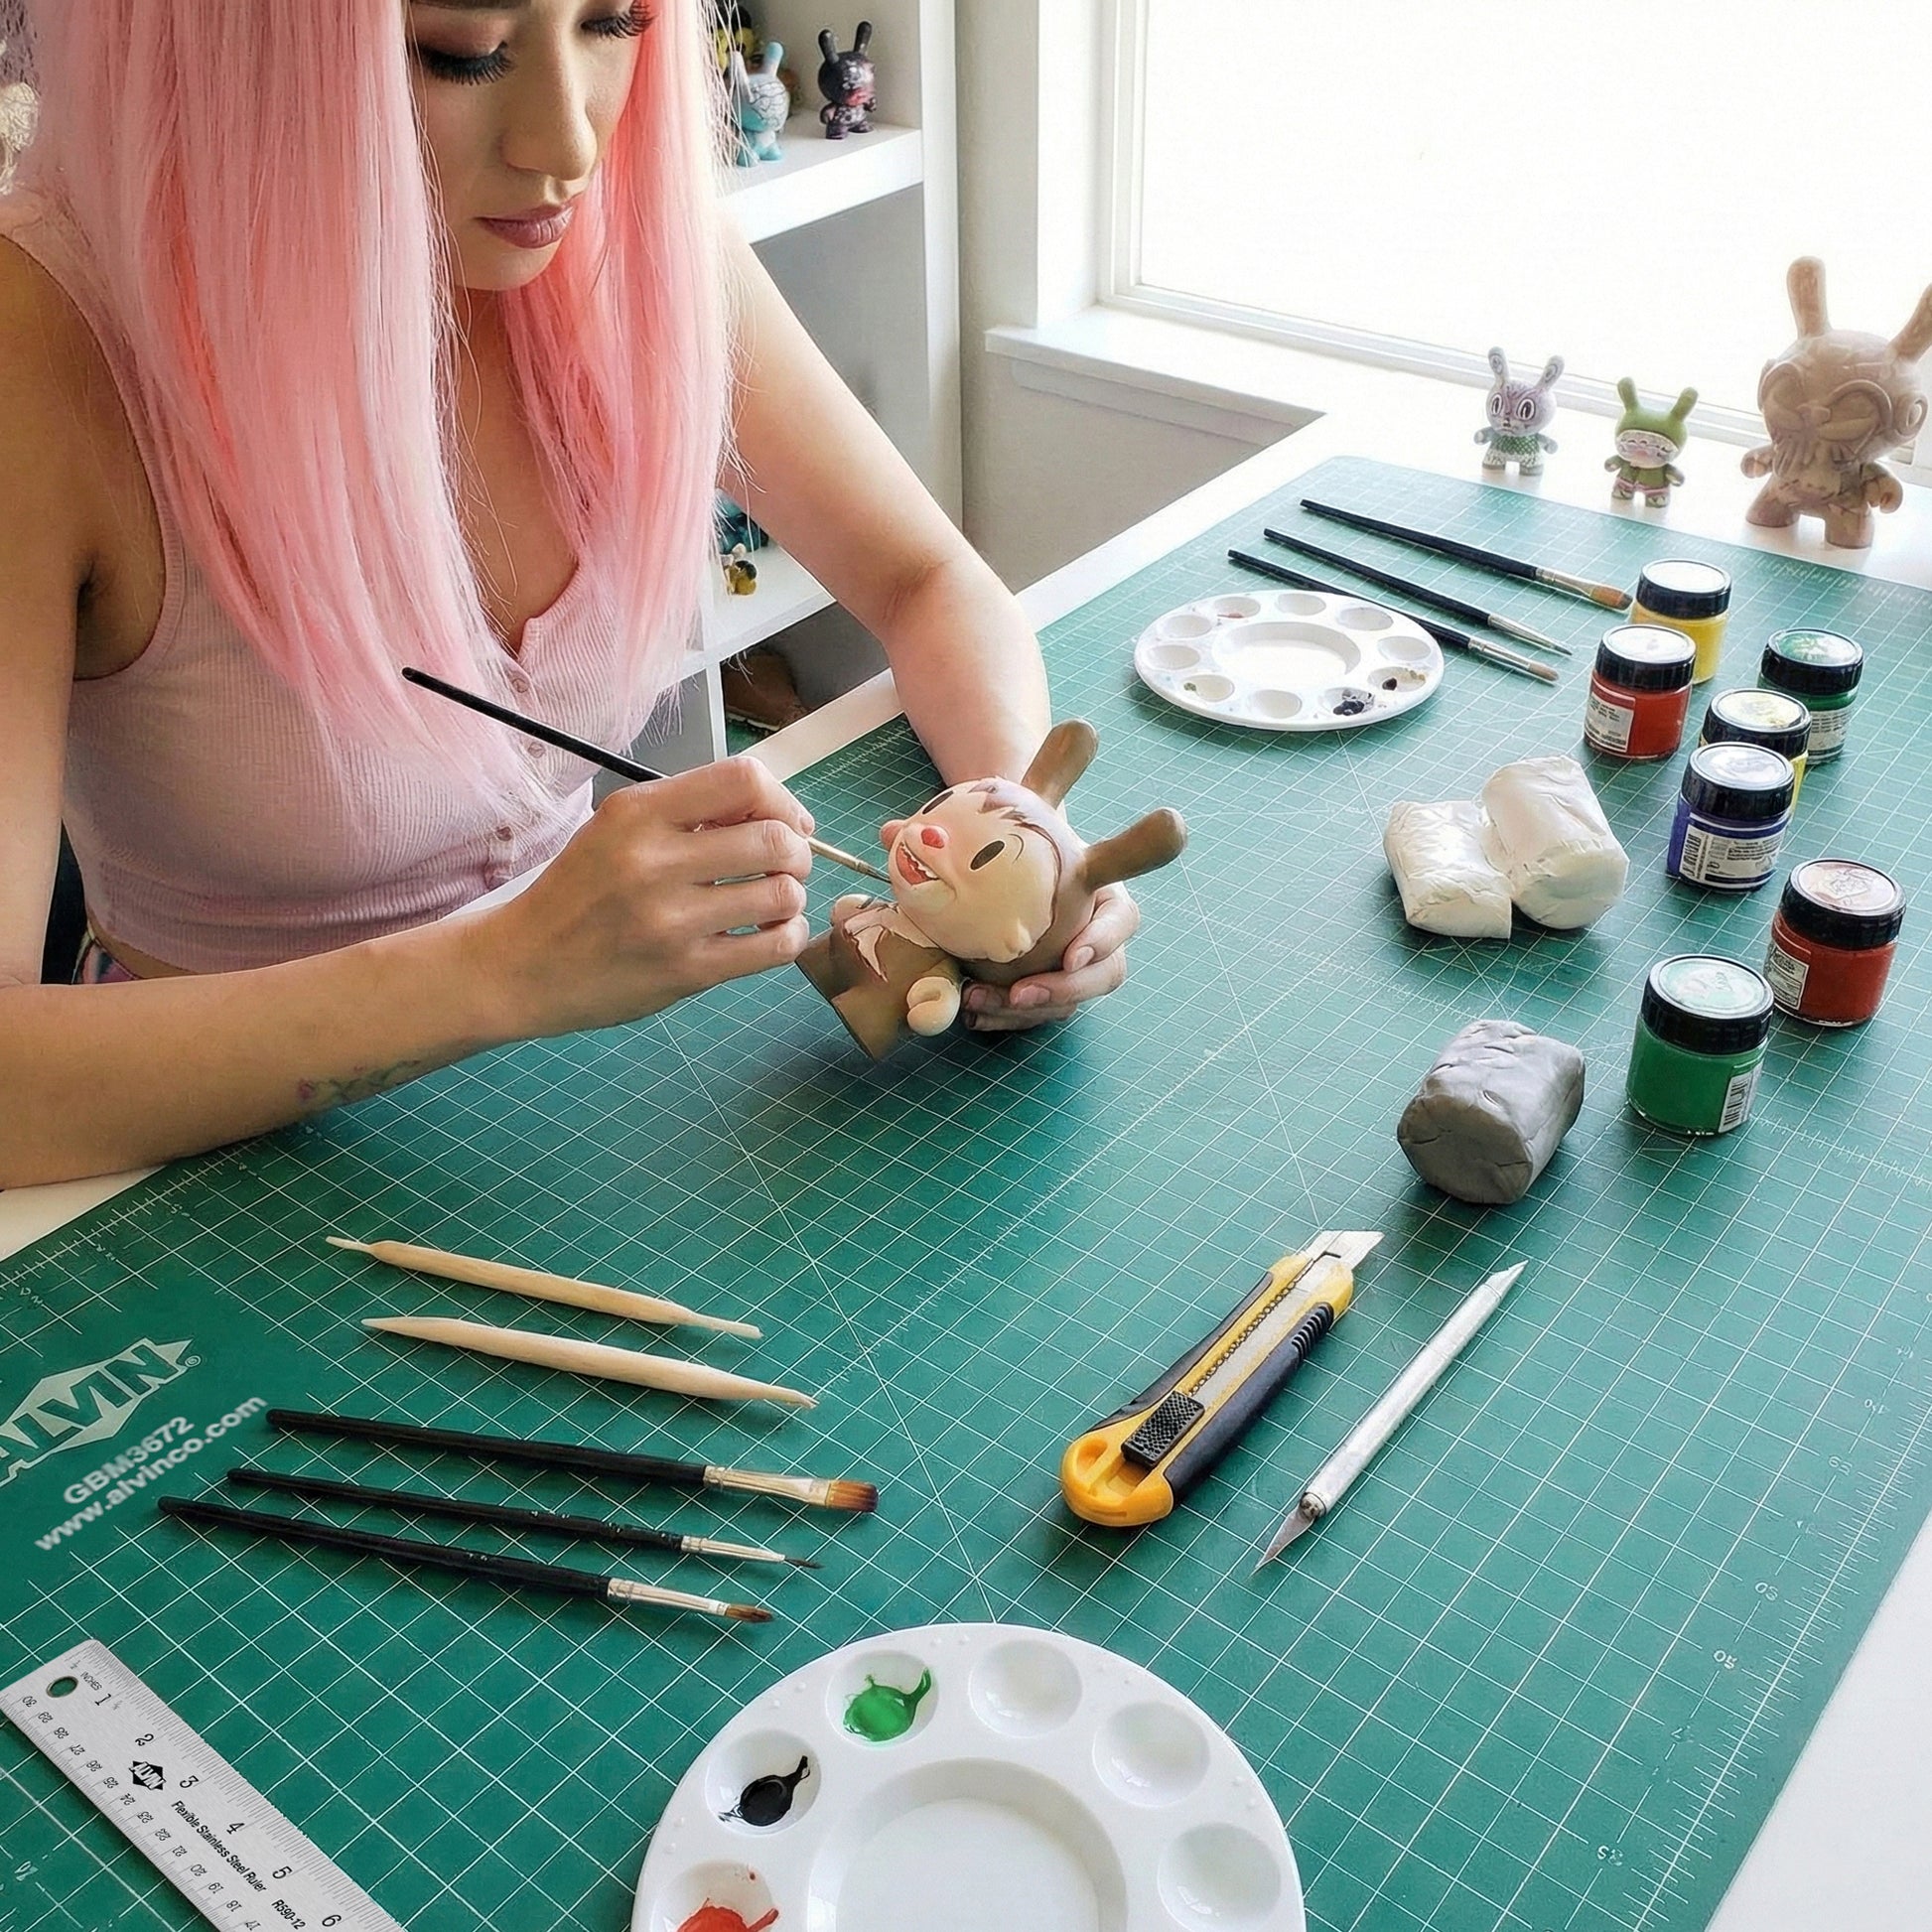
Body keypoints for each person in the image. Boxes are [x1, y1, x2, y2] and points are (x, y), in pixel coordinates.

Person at [0, 0, 1142, 1190]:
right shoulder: (37, 341)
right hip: (188, 1171)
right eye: (460, 50)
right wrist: (499, 972)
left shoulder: (629, 239)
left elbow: (925, 578)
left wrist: (1023, 844)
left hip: (572, 1091)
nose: (568, 142)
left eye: (612, 20)